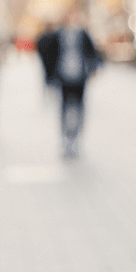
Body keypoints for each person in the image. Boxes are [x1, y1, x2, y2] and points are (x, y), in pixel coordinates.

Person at [37, 9, 101, 159]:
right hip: (63, 78)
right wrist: (50, 79)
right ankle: (66, 141)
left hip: (80, 78)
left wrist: (93, 68)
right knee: (65, 109)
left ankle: (76, 138)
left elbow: (93, 53)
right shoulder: (57, 36)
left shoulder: (83, 35)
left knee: (79, 108)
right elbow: (46, 53)